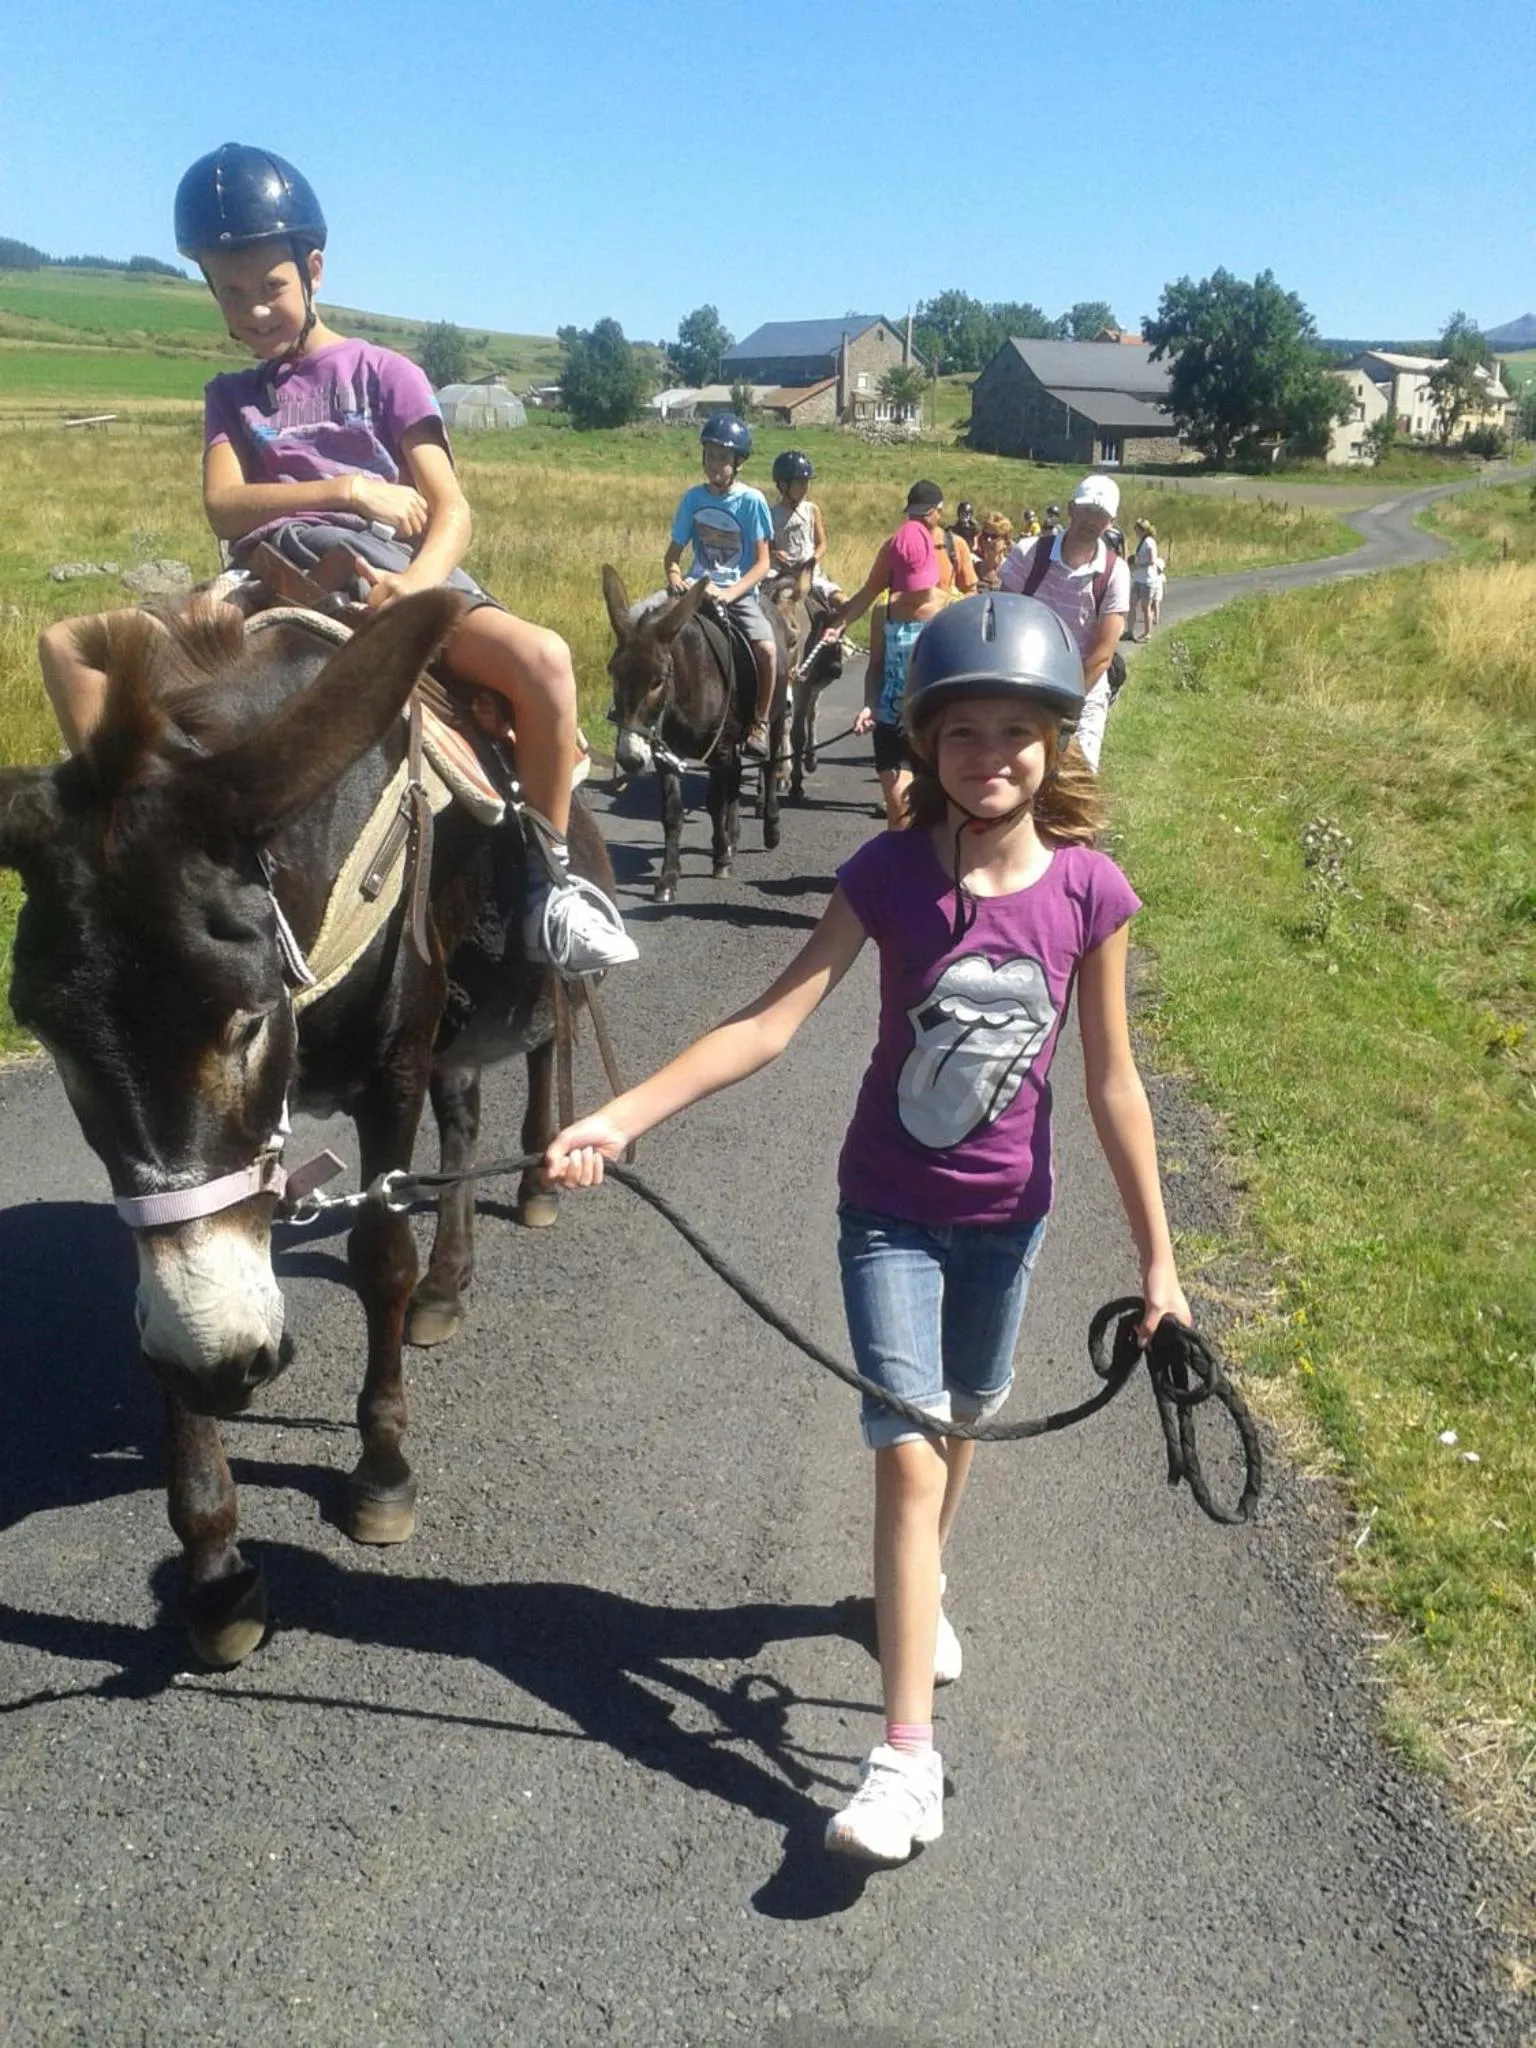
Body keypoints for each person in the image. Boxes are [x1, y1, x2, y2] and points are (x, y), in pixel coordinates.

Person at [541, 591, 1191, 1866]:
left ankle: (917, 1585)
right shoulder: (887, 874)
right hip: (887, 1212)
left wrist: (1161, 1260)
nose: (989, 755)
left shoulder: (1092, 892)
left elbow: (1114, 1083)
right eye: (963, 731)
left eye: (1016, 731)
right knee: (907, 1449)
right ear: (926, 741)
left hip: (1010, 1220)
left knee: (964, 1418)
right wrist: (619, 1116)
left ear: (1056, 740)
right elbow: (767, 1021)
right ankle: (905, 1757)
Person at [38, 142, 636, 978]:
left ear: (313, 269)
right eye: (230, 292)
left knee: (545, 659)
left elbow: (452, 508)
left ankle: (552, 882)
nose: (253, 310)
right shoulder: (230, 396)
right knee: (67, 645)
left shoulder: (386, 373)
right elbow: (223, 505)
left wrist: (415, 588)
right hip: (268, 575)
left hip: (388, 568)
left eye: (270, 286)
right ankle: (134, 849)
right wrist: (350, 489)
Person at [827, 482, 947, 827]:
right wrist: (870, 704)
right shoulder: (885, 609)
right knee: (899, 812)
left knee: (936, 819)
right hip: (891, 723)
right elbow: (876, 663)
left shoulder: (949, 611)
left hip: (935, 727)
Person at [665, 413, 778, 762]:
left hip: (737, 592)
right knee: (644, 630)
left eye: (724, 458)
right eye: (711, 456)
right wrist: (674, 577)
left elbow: (763, 563)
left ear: (738, 462)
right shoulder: (692, 499)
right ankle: (633, 714)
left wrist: (729, 594)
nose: (716, 464)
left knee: (767, 650)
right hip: (695, 588)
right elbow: (672, 556)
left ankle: (760, 722)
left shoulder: (751, 501)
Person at [998, 473, 1129, 772]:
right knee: (1017, 774)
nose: (1091, 520)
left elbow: (1103, 654)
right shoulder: (1030, 553)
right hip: (1025, 682)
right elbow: (1003, 621)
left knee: (1078, 778)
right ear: (1071, 508)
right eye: (1086, 510)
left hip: (1083, 691)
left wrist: (1066, 706)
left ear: (1111, 521)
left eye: (1100, 514)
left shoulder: (1115, 572)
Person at [767, 449, 841, 602]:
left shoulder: (812, 510)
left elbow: (822, 544)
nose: (805, 487)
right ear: (783, 485)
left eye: (806, 482)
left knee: (842, 601)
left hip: (810, 573)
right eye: (800, 482)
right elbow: (766, 548)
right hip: (780, 573)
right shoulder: (771, 514)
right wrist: (775, 554)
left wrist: (812, 560)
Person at [1128, 517, 1158, 641]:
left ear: (1143, 530)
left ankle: (1147, 633)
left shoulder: (1149, 542)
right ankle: (1129, 631)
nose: (1136, 533)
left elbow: (1152, 560)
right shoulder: (1143, 541)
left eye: (1137, 530)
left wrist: (1138, 565)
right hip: (1138, 578)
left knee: (1145, 608)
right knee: (1131, 604)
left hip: (1147, 580)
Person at [974, 512, 1013, 589]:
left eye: (994, 536)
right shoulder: (973, 569)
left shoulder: (1011, 572)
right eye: (986, 535)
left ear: (1005, 541)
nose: (989, 540)